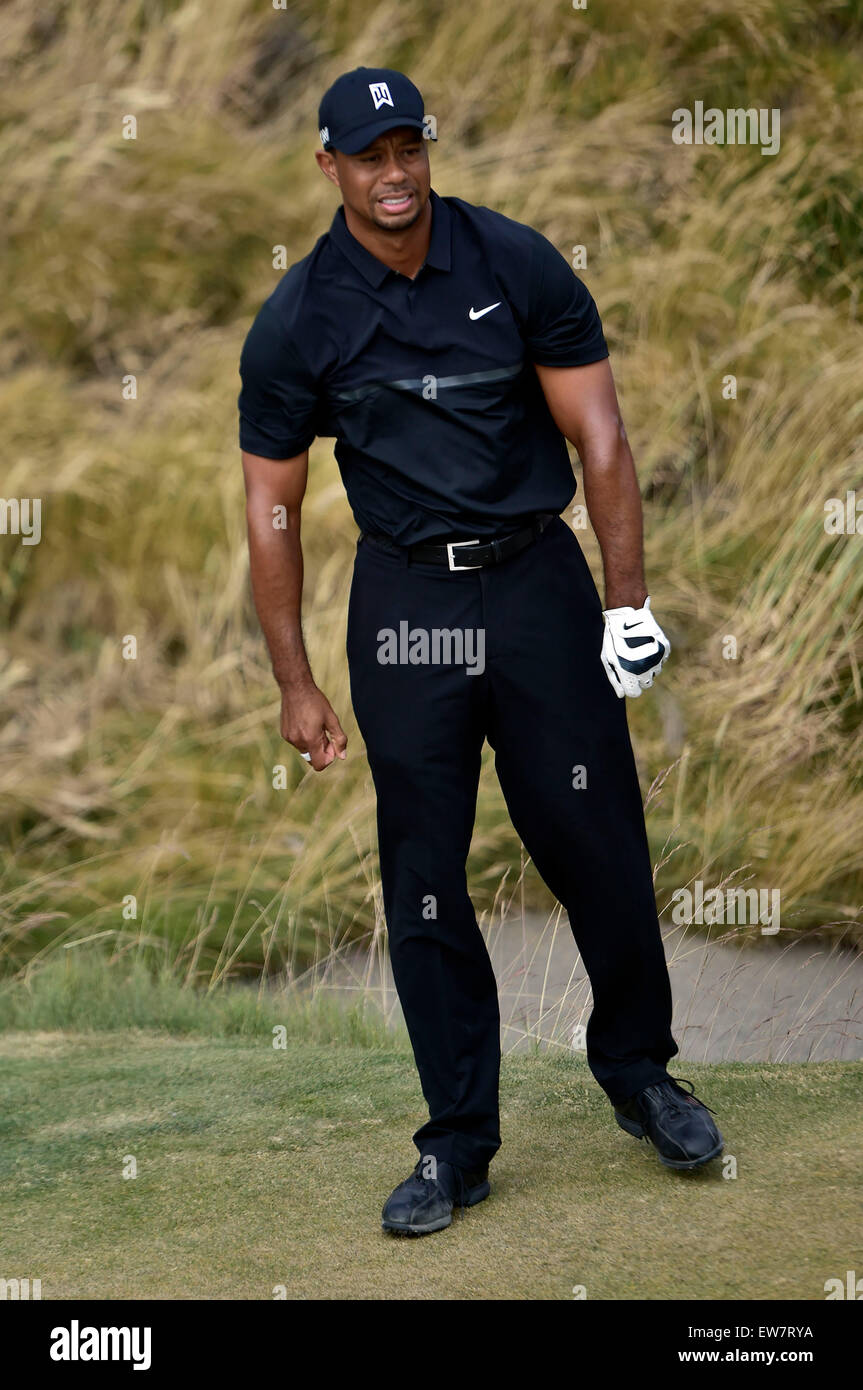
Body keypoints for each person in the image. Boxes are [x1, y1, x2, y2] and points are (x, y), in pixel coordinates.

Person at [238, 66, 723, 1238]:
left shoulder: (513, 262)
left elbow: (596, 432)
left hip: (535, 587)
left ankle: (638, 1073)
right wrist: (294, 679)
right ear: (330, 168)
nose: (393, 174)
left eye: (407, 149)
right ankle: (456, 1141)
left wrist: (624, 602)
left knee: (593, 833)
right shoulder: (299, 316)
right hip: (407, 604)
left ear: (424, 151)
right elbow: (272, 506)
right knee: (421, 874)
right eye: (368, 156)